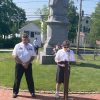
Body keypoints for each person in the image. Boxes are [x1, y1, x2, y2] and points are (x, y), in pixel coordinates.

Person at [12, 33, 36, 98]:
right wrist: (22, 63)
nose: (25, 40)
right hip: (19, 65)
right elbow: (14, 56)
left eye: (26, 38)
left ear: (28, 39)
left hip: (28, 65)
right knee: (17, 79)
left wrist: (27, 63)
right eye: (23, 38)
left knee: (30, 79)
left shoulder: (31, 46)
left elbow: (33, 56)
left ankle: (32, 92)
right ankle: (15, 92)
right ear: (22, 38)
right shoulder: (17, 45)